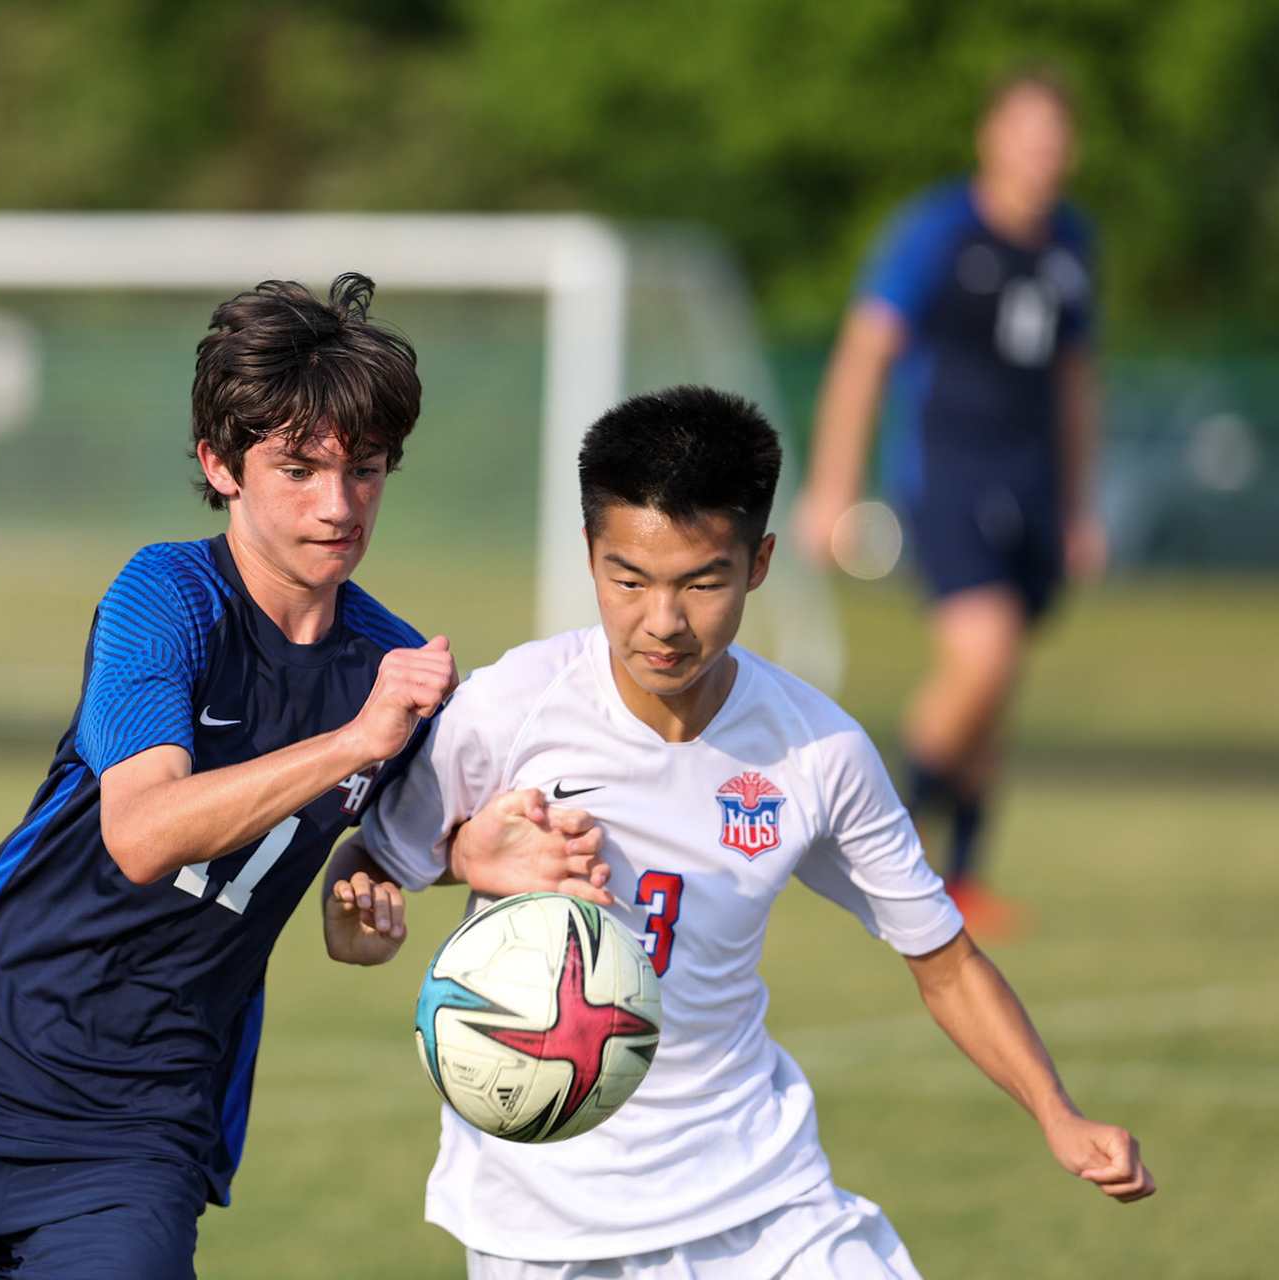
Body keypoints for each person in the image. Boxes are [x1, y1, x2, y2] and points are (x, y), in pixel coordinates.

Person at [0, 273, 592, 1280]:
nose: (338, 505)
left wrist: (449, 866)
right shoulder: (167, 596)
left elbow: (386, 852)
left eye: (367, 470)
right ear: (221, 464)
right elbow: (142, 832)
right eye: (298, 468)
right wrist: (355, 739)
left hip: (139, 1128)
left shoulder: (394, 670)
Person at [333, 386, 1152, 1280]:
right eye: (629, 578)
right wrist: (422, 882)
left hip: (765, 1197)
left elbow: (946, 961)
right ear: (590, 555)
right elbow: (366, 886)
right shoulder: (509, 708)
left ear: (758, 563)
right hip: (545, 1223)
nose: (664, 622)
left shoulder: (818, 748)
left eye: (703, 581)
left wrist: (1057, 1114)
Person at [792, 68, 1102, 936]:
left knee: (995, 692)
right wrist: (834, 486)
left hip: (1036, 489)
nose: (1041, 152)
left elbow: (1079, 384)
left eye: (1055, 136)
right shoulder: (938, 232)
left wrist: (1080, 506)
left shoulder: (1072, 242)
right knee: (985, 657)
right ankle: (879, 839)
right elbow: (864, 356)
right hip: (950, 480)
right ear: (991, 139)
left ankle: (962, 877)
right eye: (1026, 132)